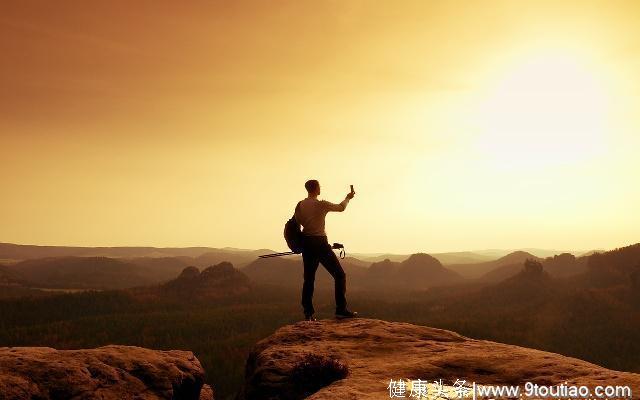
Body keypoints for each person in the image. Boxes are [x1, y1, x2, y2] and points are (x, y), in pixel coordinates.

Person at [294, 179, 358, 321]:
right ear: (316, 189)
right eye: (319, 186)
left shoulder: (300, 205)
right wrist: (348, 197)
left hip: (307, 243)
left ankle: (308, 314)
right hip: (320, 243)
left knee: (309, 280)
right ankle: (341, 310)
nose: (320, 188)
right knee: (340, 275)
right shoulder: (321, 204)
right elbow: (341, 207)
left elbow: (297, 224)